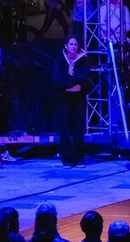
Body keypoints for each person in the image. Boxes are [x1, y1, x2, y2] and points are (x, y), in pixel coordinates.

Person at [52, 36, 91, 168]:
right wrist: (70, 85)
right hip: (64, 99)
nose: (74, 46)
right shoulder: (59, 61)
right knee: (65, 129)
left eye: (75, 44)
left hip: (79, 99)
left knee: (79, 129)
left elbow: (85, 78)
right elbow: (56, 80)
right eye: (71, 44)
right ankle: (67, 159)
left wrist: (70, 81)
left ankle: (79, 158)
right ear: (66, 46)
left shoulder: (83, 60)